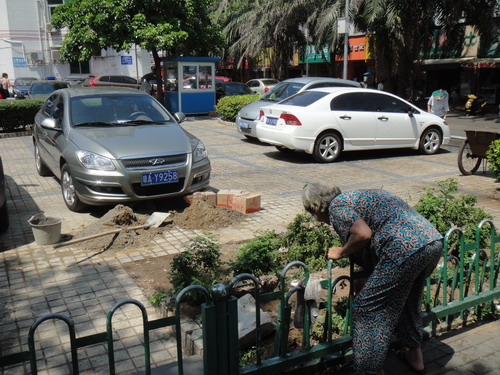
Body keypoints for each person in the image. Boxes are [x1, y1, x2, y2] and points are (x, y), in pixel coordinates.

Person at [302, 183, 443, 375]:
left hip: (404, 249)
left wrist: (340, 252)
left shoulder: (337, 207)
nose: (318, 220)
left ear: (316, 208)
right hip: (431, 242)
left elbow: (363, 233)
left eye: (314, 215)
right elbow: (379, 229)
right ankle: (415, 358)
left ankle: (369, 369)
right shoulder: (357, 197)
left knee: (367, 309)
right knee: (408, 299)